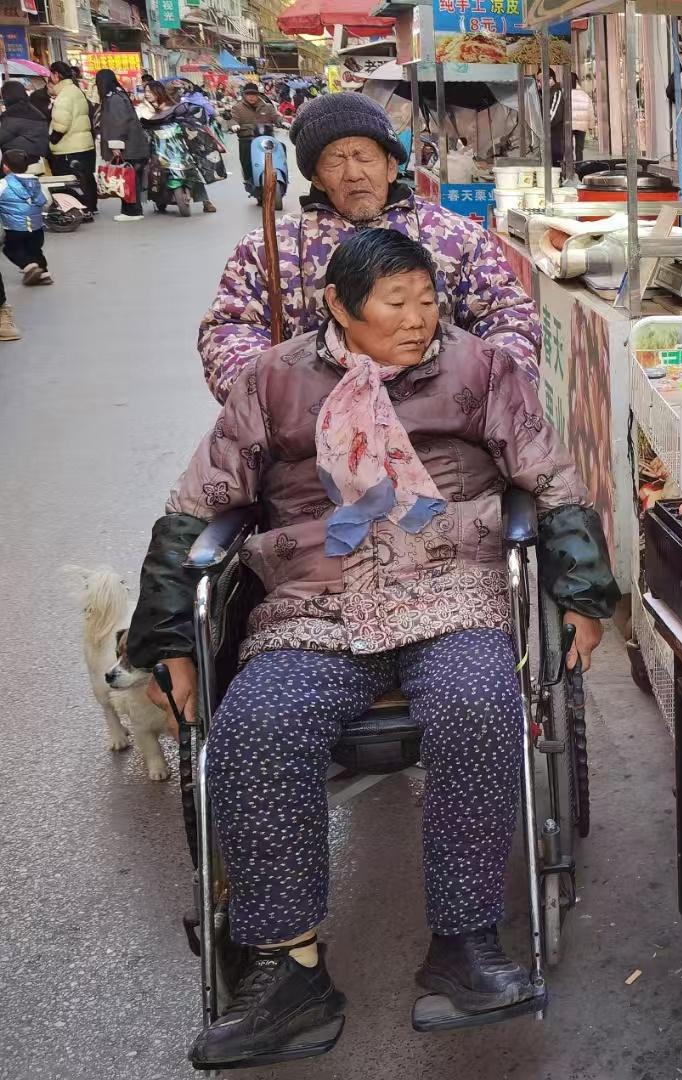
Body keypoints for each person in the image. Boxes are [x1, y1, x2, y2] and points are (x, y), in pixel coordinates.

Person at [127, 228, 617, 1068]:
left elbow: (548, 478)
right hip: (314, 597)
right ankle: (290, 971)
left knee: (477, 701)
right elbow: (195, 505)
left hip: (451, 584)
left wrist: (582, 591)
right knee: (257, 723)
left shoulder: (481, 369)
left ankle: (465, 944)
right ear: (341, 310)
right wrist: (170, 635)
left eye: (427, 299)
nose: (420, 318)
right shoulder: (274, 380)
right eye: (395, 303)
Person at [199, 93, 540, 403]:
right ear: (316, 177)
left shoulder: (456, 236)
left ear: (391, 166)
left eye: (365, 157)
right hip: (309, 431)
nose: (353, 174)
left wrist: (490, 388)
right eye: (335, 160)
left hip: (441, 424)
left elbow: (506, 315)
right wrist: (272, 395)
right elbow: (229, 328)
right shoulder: (268, 248)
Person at [141, 80, 224, 216]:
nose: (147, 94)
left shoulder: (173, 105)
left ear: (159, 92)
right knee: (154, 172)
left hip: (179, 145)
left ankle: (205, 201)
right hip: (158, 146)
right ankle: (159, 199)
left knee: (192, 171)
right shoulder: (144, 108)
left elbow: (188, 117)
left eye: (150, 91)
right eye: (146, 92)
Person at [95, 69, 149, 222]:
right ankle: (130, 210)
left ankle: (132, 212)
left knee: (127, 179)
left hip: (128, 147)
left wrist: (115, 146)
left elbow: (118, 123)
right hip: (133, 145)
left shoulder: (114, 99)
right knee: (129, 179)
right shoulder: (119, 96)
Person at [47, 62, 97, 212]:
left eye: (51, 74)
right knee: (85, 177)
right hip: (83, 144)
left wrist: (53, 139)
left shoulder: (64, 95)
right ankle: (90, 207)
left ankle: (79, 209)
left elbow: (61, 124)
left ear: (56, 75)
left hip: (69, 147)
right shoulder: (75, 90)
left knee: (72, 180)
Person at [0, 150, 50, 286]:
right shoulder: (35, 182)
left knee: (10, 248)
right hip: (36, 227)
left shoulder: (3, 184)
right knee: (35, 250)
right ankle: (44, 274)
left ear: (5, 167)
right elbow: (45, 202)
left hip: (15, 228)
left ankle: (29, 267)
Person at [229, 81, 281, 196]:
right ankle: (249, 181)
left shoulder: (267, 107)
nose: (252, 97)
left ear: (258, 95)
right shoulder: (237, 108)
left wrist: (284, 122)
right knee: (246, 161)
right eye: (249, 94)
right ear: (244, 95)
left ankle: (281, 174)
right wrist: (233, 124)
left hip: (266, 139)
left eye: (254, 94)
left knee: (282, 149)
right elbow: (232, 119)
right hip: (247, 140)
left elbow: (276, 117)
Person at [0, 81, 50, 162]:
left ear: (8, 97)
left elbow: (2, 137)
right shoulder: (32, 109)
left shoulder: (14, 113)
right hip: (38, 156)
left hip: (19, 160)